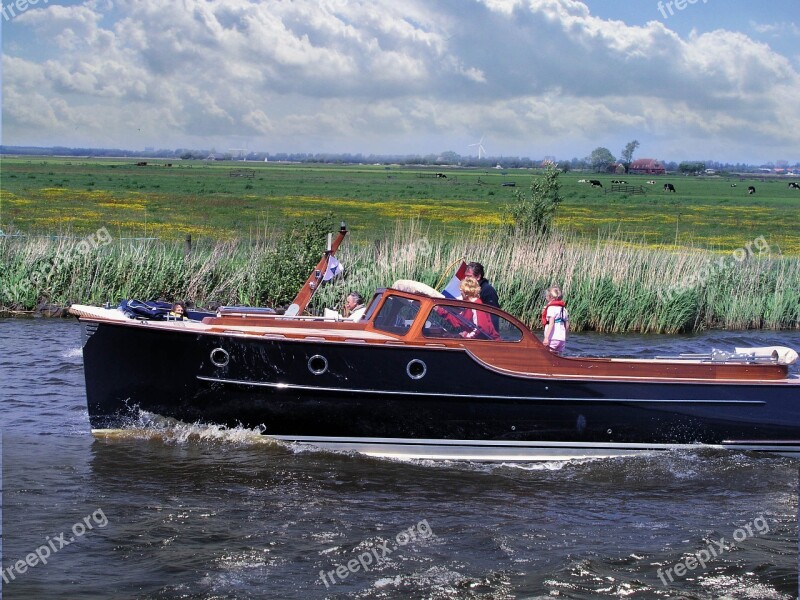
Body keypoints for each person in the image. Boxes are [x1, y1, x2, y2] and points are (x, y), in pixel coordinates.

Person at [541, 286, 568, 353]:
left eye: (546, 295)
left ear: (550, 297)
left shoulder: (551, 308)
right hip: (561, 339)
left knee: (548, 357)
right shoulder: (563, 309)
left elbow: (551, 323)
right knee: (558, 358)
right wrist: (564, 336)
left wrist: (546, 338)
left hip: (552, 338)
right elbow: (567, 325)